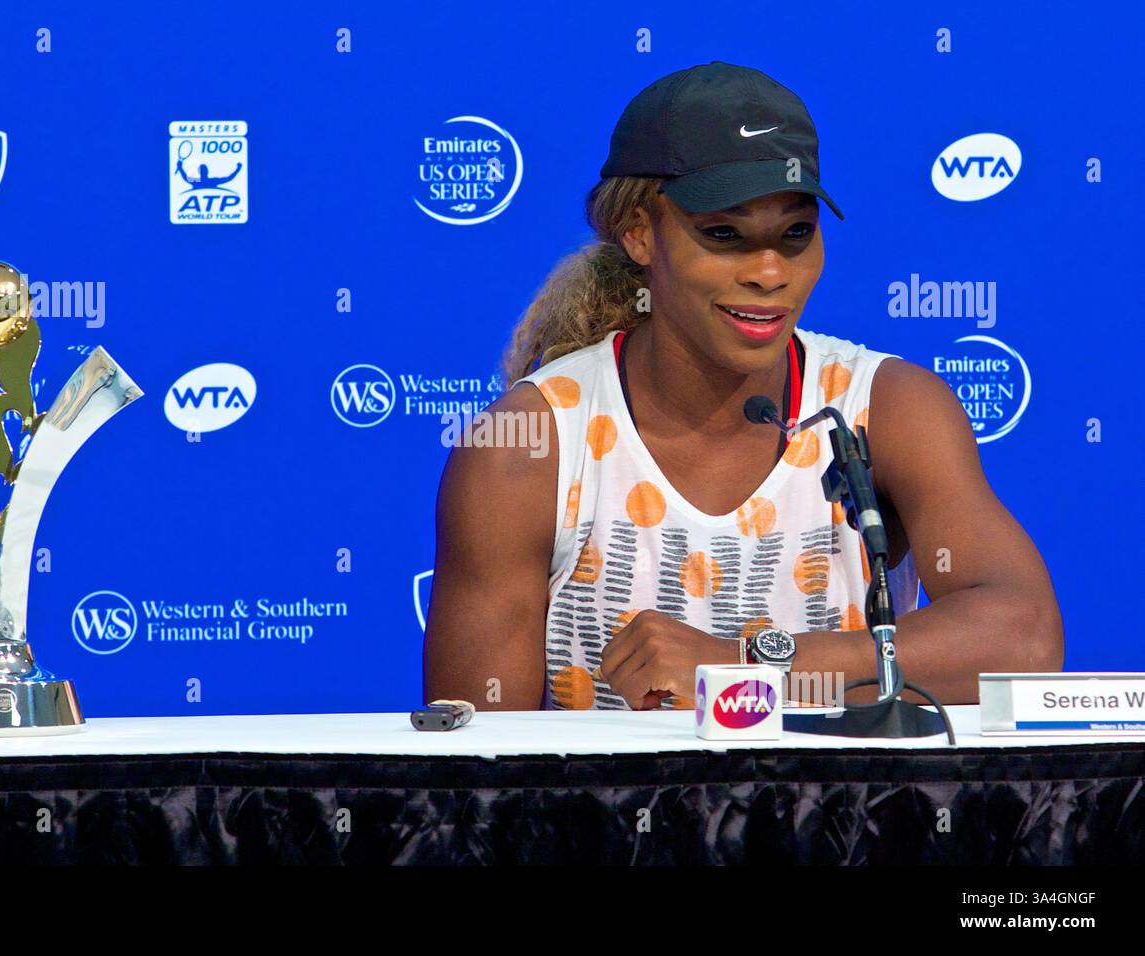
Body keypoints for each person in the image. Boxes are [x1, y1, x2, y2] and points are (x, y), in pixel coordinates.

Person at [423, 61, 1062, 711]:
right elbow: (477, 754)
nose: (769, 272)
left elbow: (1025, 637)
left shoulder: (890, 409)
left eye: (796, 233)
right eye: (724, 234)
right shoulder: (529, 447)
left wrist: (744, 666)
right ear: (639, 234)